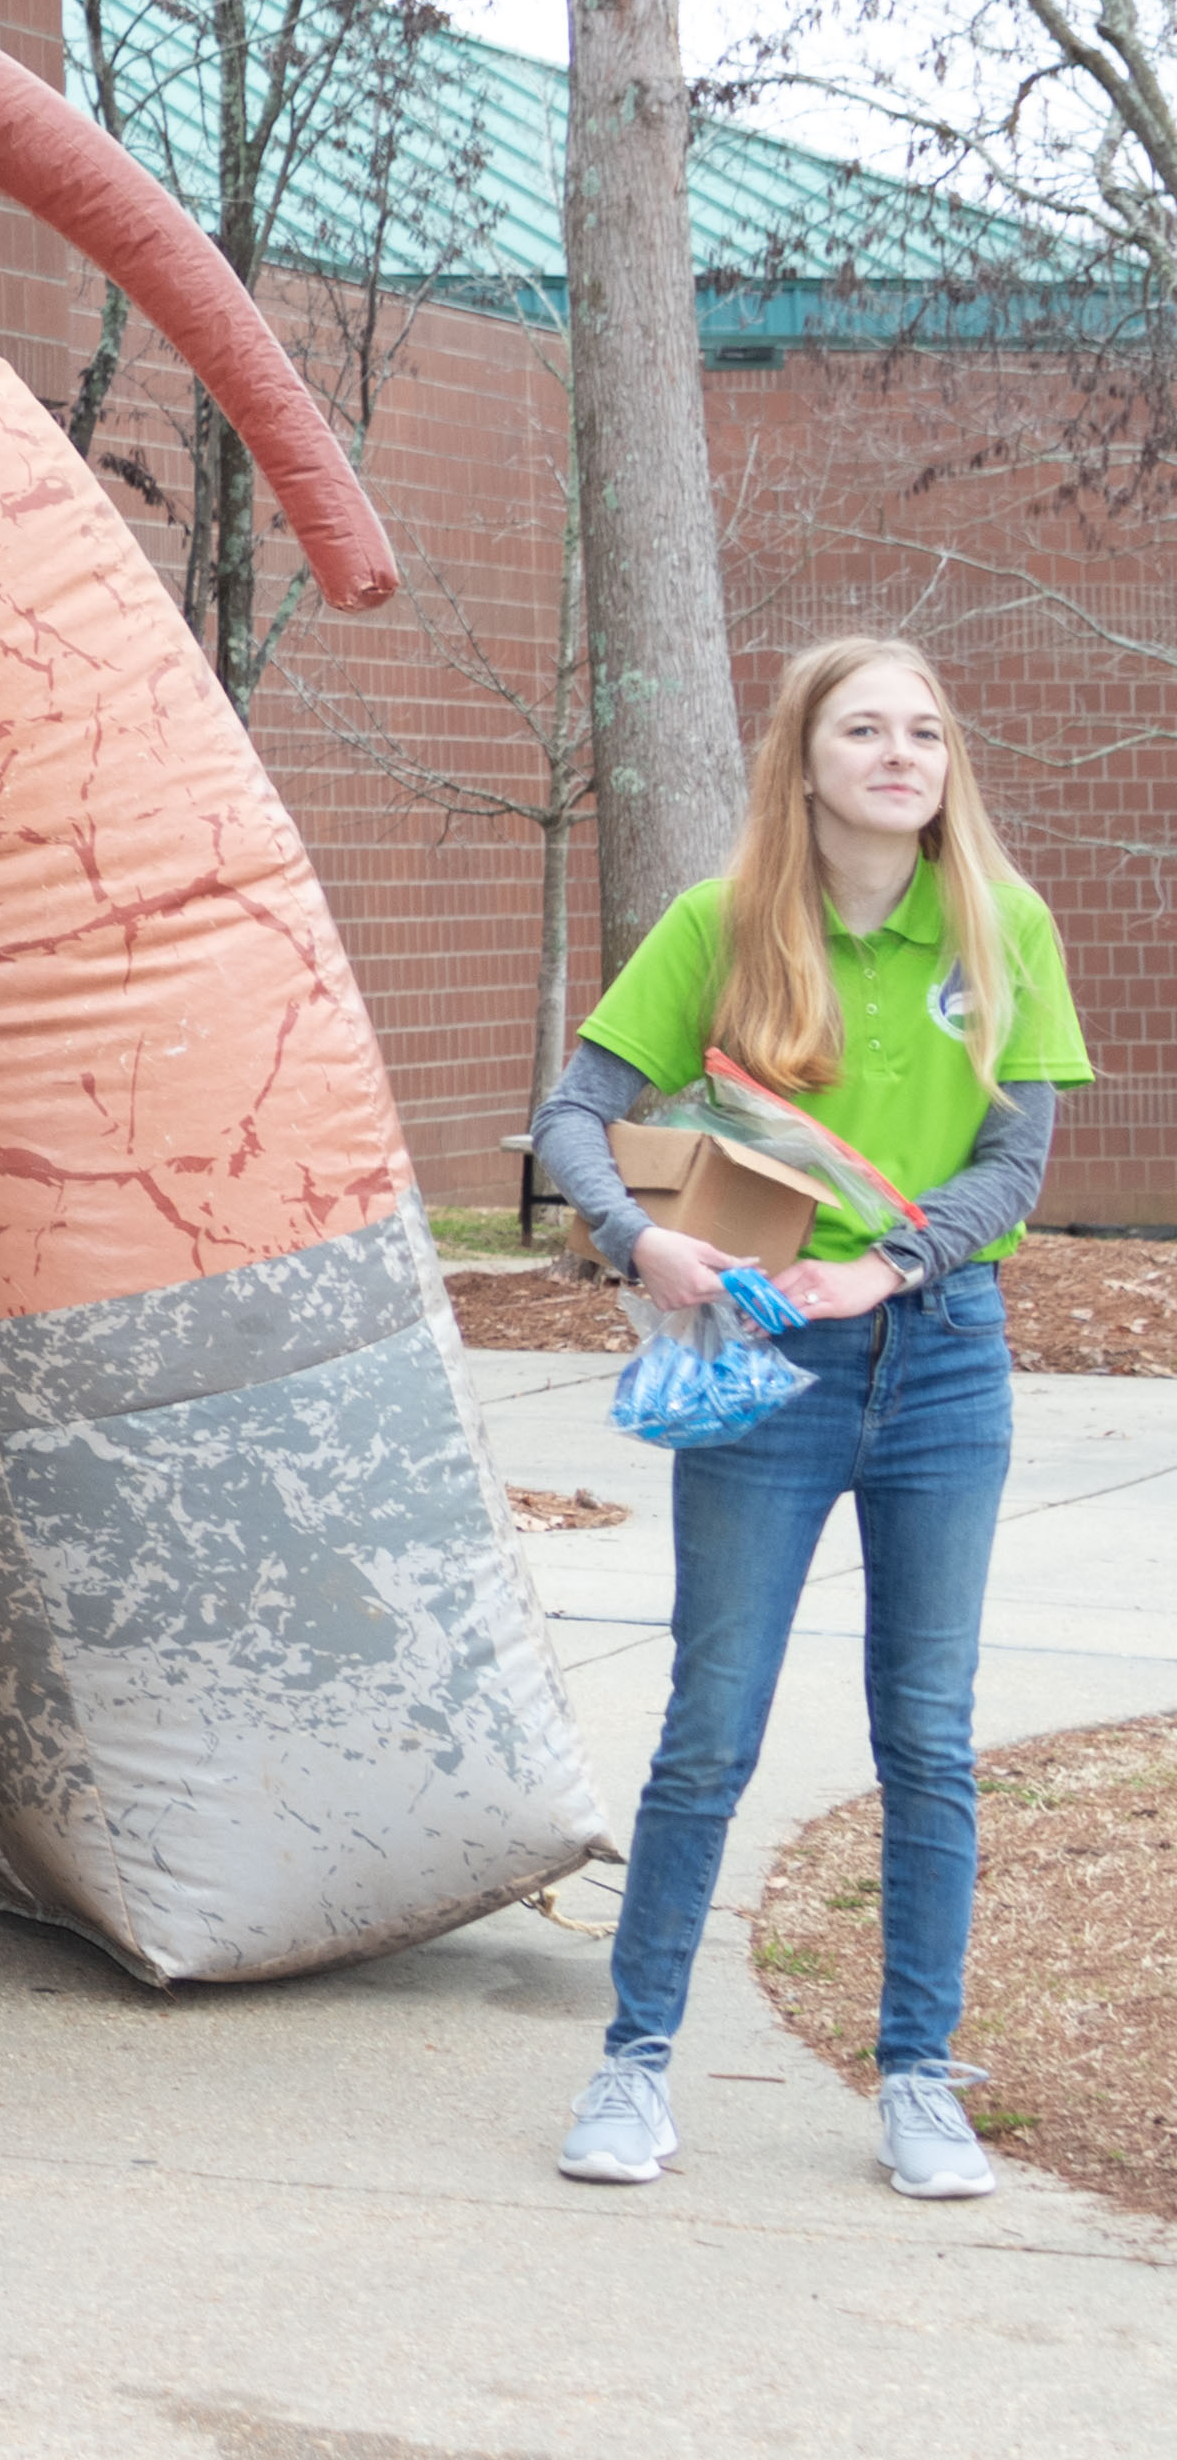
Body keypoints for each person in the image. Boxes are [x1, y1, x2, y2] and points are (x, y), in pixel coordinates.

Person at [533, 638, 1084, 2202]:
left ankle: (919, 2079)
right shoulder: (724, 924)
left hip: (944, 1364)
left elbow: (1011, 1167)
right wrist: (640, 1240)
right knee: (710, 1733)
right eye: (864, 728)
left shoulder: (1002, 924)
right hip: (759, 1373)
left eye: (925, 729)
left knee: (927, 1736)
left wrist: (894, 1268)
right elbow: (572, 1114)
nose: (900, 753)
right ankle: (633, 2066)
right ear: (806, 757)